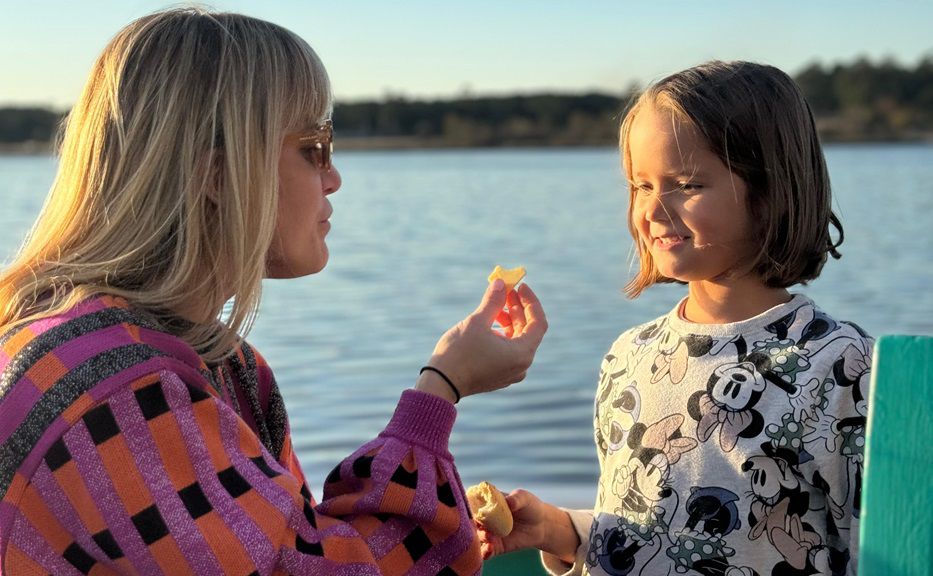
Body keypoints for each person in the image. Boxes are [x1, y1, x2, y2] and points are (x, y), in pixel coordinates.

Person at [0, 8, 547, 575]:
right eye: (314, 147)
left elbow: (293, 544)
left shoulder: (216, 363)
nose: (334, 177)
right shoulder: (121, 392)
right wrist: (440, 391)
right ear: (216, 176)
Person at [477, 61, 873, 576]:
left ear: (770, 189)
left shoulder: (842, 365)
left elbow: (879, 547)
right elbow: (644, 527)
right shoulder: (630, 356)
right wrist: (559, 530)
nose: (653, 210)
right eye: (641, 185)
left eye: (686, 184)